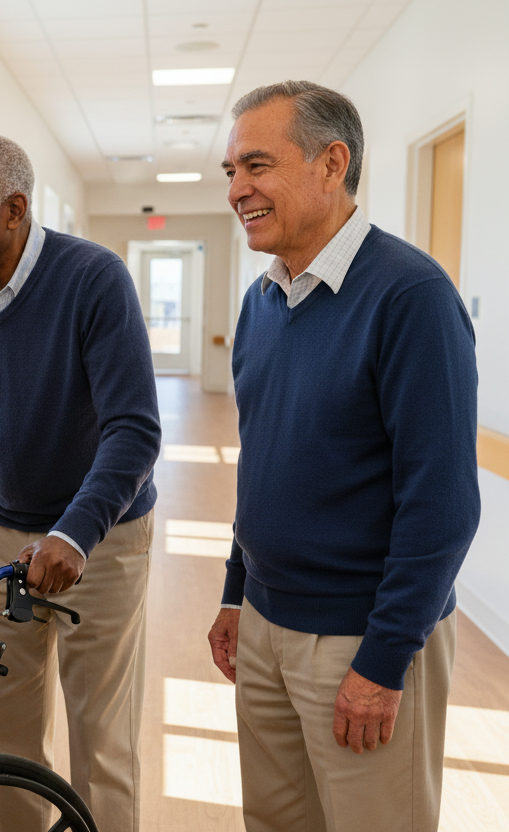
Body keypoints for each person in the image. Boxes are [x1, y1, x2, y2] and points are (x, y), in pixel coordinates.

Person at [207, 81, 479, 832]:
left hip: (360, 638)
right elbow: (263, 463)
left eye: (256, 165)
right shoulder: (262, 301)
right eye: (229, 171)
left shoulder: (411, 296)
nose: (238, 189)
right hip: (264, 625)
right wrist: (236, 592)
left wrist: (385, 659)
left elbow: (444, 506)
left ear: (333, 163)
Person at [0, 132, 161, 832]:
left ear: (15, 210)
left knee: (101, 741)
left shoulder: (93, 279)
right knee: (5, 728)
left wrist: (74, 532)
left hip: (103, 536)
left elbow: (135, 430)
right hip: (3, 529)